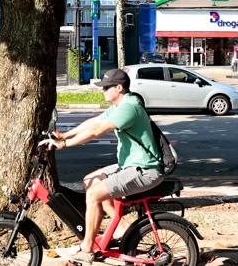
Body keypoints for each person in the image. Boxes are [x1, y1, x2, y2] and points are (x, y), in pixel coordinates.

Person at [39, 68, 163, 264]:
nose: (103, 91)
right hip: (130, 166)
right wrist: (65, 134)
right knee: (90, 180)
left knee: (94, 194)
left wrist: (64, 145)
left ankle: (87, 249)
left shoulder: (129, 107)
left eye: (106, 88)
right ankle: (121, 226)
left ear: (119, 88)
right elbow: (94, 121)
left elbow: (97, 130)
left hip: (145, 170)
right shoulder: (119, 105)